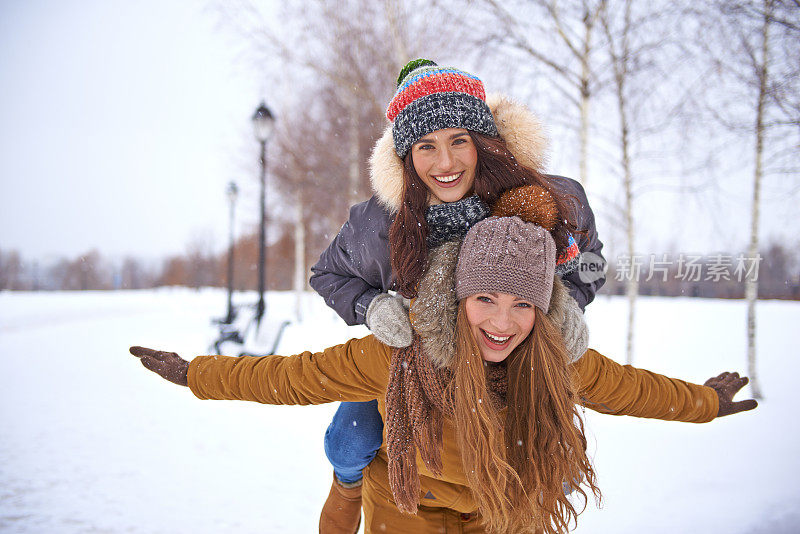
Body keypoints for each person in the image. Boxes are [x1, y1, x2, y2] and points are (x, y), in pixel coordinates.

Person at [130, 216, 757, 534]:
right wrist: (197, 374)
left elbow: (632, 389)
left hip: (505, 505)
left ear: (543, 309)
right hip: (410, 498)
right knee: (352, 452)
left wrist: (705, 402)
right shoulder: (407, 350)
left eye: (521, 305)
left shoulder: (555, 363)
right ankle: (345, 487)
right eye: (485, 300)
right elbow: (298, 377)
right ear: (457, 300)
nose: (503, 322)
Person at [308, 59, 603, 532]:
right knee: (351, 438)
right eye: (426, 146)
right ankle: (346, 486)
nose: (445, 164)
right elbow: (327, 274)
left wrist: (566, 303)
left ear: (484, 142)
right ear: (406, 158)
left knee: (557, 452)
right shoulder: (379, 226)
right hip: (413, 360)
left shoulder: (551, 200)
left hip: (508, 354)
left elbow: (590, 261)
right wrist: (373, 307)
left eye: (458, 141)